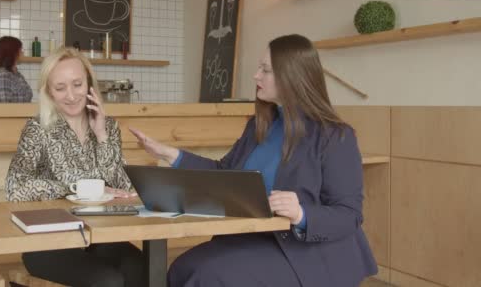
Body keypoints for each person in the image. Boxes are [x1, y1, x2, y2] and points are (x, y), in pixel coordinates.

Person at [129, 34, 378, 287]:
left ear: (293, 77)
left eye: (266, 70)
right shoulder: (260, 125)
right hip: (254, 237)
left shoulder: (335, 136)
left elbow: (349, 215)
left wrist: (302, 213)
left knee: (207, 276)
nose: (256, 76)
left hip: (306, 251)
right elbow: (224, 174)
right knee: (183, 268)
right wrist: (169, 154)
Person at [5, 47, 143, 287]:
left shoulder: (108, 127)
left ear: (89, 84)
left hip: (102, 237)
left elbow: (125, 188)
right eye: (60, 88)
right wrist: (76, 187)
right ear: (49, 91)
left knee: (146, 270)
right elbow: (15, 189)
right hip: (48, 243)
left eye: (77, 84)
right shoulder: (38, 130)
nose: (70, 95)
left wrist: (101, 135)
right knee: (108, 282)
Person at [0, 36, 33, 103]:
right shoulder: (3, 75)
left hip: (24, 113)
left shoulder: (17, 75)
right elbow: (3, 107)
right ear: (13, 52)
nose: (23, 53)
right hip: (15, 114)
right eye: (20, 50)